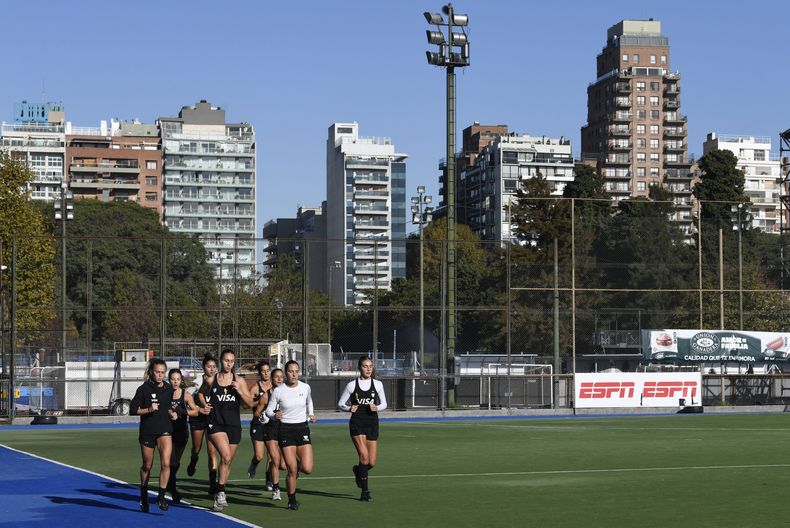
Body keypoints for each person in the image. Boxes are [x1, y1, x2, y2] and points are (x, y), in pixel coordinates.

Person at [203, 349, 255, 512]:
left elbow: (250, 404)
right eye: (226, 360)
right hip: (216, 424)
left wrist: (239, 390)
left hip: (233, 425)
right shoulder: (212, 379)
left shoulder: (239, 381)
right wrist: (204, 405)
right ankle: (221, 492)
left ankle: (219, 493)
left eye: (232, 361)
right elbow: (201, 394)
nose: (229, 364)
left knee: (227, 461)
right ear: (221, 361)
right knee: (225, 456)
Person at [265, 360, 316, 511]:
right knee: (291, 469)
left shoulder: (305, 387)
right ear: (286, 373)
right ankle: (291, 499)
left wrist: (311, 414)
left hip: (302, 429)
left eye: (296, 371)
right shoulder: (279, 391)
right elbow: (268, 411)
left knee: (307, 468)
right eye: (290, 371)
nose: (294, 374)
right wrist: (275, 414)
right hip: (286, 430)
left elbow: (309, 402)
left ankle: (295, 474)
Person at [130, 357, 178, 513]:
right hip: (148, 431)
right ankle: (143, 496)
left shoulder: (169, 389)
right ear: (151, 372)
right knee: (147, 465)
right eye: (157, 372)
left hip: (165, 429)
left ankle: (161, 497)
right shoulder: (143, 389)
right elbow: (133, 410)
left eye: (163, 372)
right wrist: (149, 409)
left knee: (166, 463)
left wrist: (173, 413)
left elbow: (167, 407)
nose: (160, 375)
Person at [337, 356, 387, 502]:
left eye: (370, 366)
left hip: (372, 422)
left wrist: (377, 407)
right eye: (365, 366)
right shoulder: (352, 385)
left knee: (371, 462)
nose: (368, 369)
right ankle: (365, 491)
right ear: (360, 368)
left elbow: (384, 403)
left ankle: (358, 471)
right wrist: (348, 408)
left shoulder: (377, 384)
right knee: (364, 457)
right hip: (357, 423)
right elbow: (341, 403)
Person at [186, 354, 220, 496]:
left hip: (212, 419)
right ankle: (193, 460)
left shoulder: (219, 380)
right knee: (196, 448)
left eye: (214, 366)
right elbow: (187, 395)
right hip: (198, 418)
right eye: (208, 366)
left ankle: (212, 484)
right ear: (203, 368)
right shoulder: (198, 381)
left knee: (212, 451)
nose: (212, 369)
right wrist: (197, 408)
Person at [166, 368, 199, 503]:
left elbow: (195, 412)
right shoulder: (165, 393)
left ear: (181, 381)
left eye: (178, 379)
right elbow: (161, 407)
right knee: (169, 461)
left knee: (175, 462)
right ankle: (173, 490)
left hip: (181, 431)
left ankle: (170, 482)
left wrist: (182, 411)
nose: (175, 382)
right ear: (169, 380)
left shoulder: (185, 395)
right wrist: (169, 412)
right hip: (167, 431)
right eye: (173, 379)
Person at [247, 360, 274, 490]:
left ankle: (269, 480)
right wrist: (260, 401)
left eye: (268, 370)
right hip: (258, 423)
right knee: (259, 455)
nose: (266, 373)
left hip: (272, 423)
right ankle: (254, 464)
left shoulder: (276, 387)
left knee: (272, 455)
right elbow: (247, 404)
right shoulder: (255, 388)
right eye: (263, 371)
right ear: (259, 373)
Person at [262, 367, 286, 500]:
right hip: (270, 429)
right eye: (276, 377)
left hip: (283, 429)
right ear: (271, 379)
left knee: (282, 464)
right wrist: (263, 416)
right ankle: (276, 489)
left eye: (281, 377)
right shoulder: (267, 395)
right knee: (275, 460)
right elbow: (258, 411)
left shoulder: (287, 394)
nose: (279, 379)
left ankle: (269, 475)